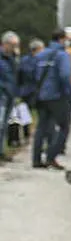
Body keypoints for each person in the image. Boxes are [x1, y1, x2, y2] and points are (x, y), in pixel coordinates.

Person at [31, 31, 71, 169]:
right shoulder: (62, 55)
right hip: (57, 96)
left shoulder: (41, 55)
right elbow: (65, 75)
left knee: (41, 127)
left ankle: (36, 159)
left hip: (41, 96)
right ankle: (51, 156)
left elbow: (33, 73)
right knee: (64, 126)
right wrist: (69, 92)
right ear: (62, 39)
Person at [0, 32, 19, 163]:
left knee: (4, 125)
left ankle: (1, 151)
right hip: (2, 95)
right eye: (12, 45)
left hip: (9, 96)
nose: (14, 48)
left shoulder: (13, 58)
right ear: (5, 44)